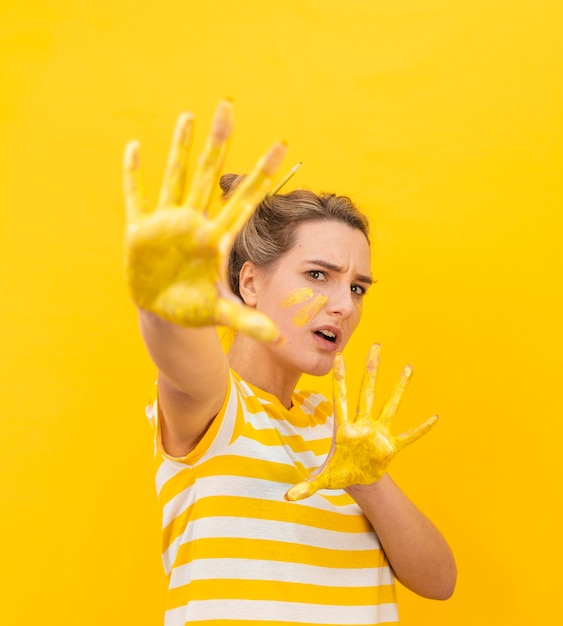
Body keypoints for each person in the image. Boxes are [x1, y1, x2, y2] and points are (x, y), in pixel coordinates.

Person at [123, 100, 457, 626]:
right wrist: (167, 305)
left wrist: (369, 481)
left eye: (357, 287)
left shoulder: (338, 427)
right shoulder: (219, 409)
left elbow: (439, 583)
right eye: (318, 275)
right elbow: (182, 361)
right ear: (249, 282)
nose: (345, 304)